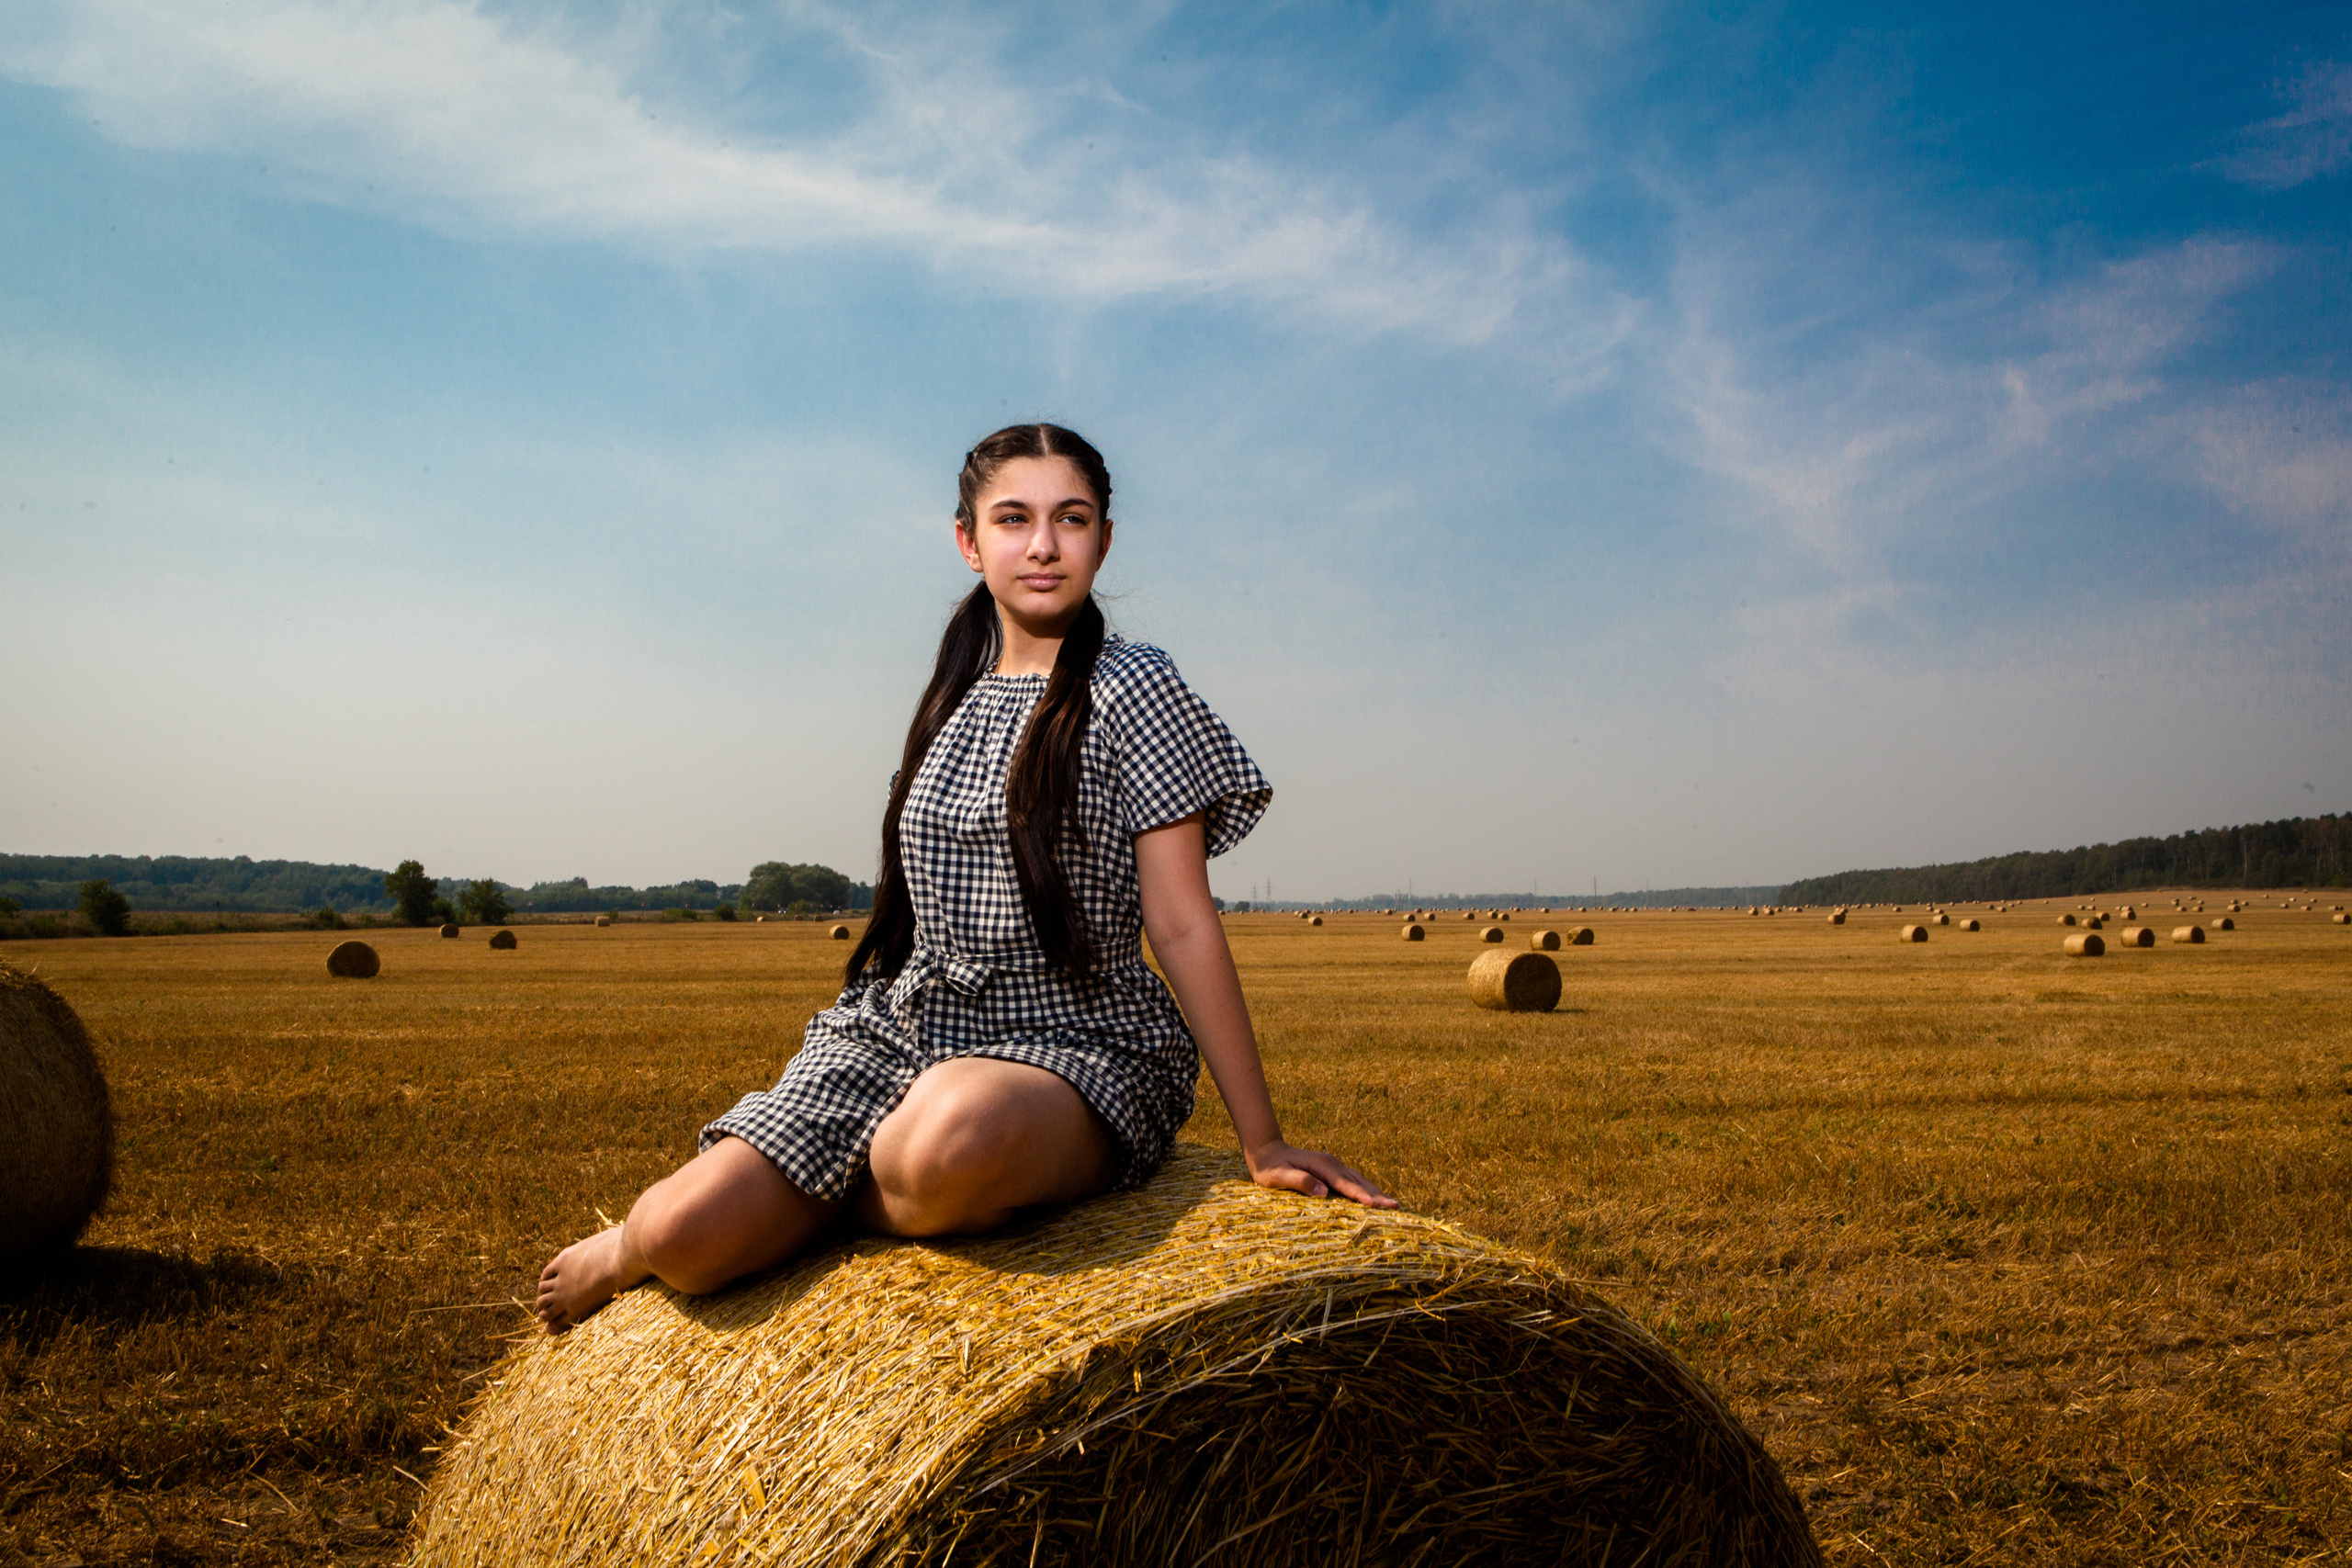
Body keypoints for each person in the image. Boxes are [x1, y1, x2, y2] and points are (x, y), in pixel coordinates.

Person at [537, 423, 1393, 1332]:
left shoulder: (1134, 685)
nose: (1042, 545)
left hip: (1079, 1039)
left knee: (946, 1137)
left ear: (1104, 538)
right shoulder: (952, 694)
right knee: (680, 1236)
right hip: (907, 1027)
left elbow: (1180, 923)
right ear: (967, 540)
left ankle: (835, 1193)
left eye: (1071, 519)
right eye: (1013, 518)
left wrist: (1260, 1138)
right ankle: (658, 1238)